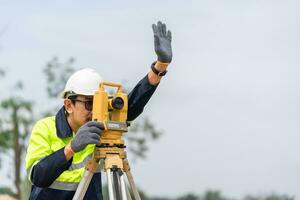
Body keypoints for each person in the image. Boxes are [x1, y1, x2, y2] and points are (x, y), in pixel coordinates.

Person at [25, 21, 173, 200]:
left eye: (99, 103)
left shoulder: (100, 124)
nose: (95, 110)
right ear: (68, 105)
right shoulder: (45, 128)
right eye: (89, 103)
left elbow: (132, 104)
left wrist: (160, 66)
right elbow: (38, 176)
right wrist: (70, 148)